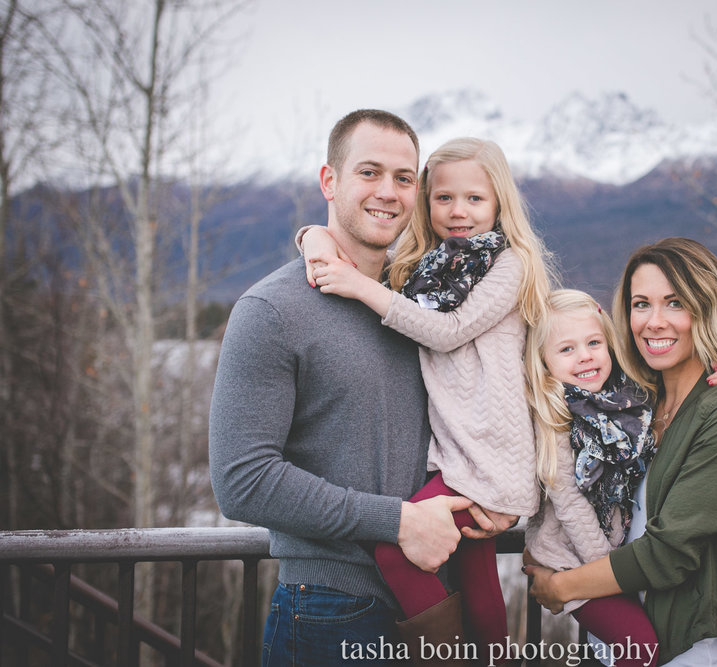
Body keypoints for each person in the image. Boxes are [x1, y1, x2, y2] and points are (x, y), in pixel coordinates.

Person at [209, 110, 506, 667]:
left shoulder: (431, 298)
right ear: (329, 181)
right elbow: (240, 480)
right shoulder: (272, 311)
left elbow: (534, 372)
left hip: (438, 605)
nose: (388, 192)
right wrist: (396, 520)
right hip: (329, 611)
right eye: (368, 172)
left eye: (403, 178)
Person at [298, 136, 554, 663]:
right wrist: (312, 238)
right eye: (443, 198)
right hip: (459, 451)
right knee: (476, 575)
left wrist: (360, 287)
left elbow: (447, 330)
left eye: (475, 199)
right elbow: (349, 251)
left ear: (500, 202)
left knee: (396, 549)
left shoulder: (511, 263)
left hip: (491, 456)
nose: (459, 212)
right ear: (426, 203)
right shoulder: (429, 267)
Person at [525, 238, 717, 666]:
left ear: (705, 309)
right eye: (641, 304)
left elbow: (669, 554)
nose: (654, 322)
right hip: (610, 648)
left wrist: (562, 587)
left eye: (675, 303)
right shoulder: (633, 405)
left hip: (678, 654)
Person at [523, 289, 660, 667]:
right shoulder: (554, 417)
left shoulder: (627, 401)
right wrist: (611, 574)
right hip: (570, 561)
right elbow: (569, 504)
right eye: (566, 349)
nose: (585, 355)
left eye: (594, 342)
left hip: (610, 556)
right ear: (544, 362)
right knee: (640, 650)